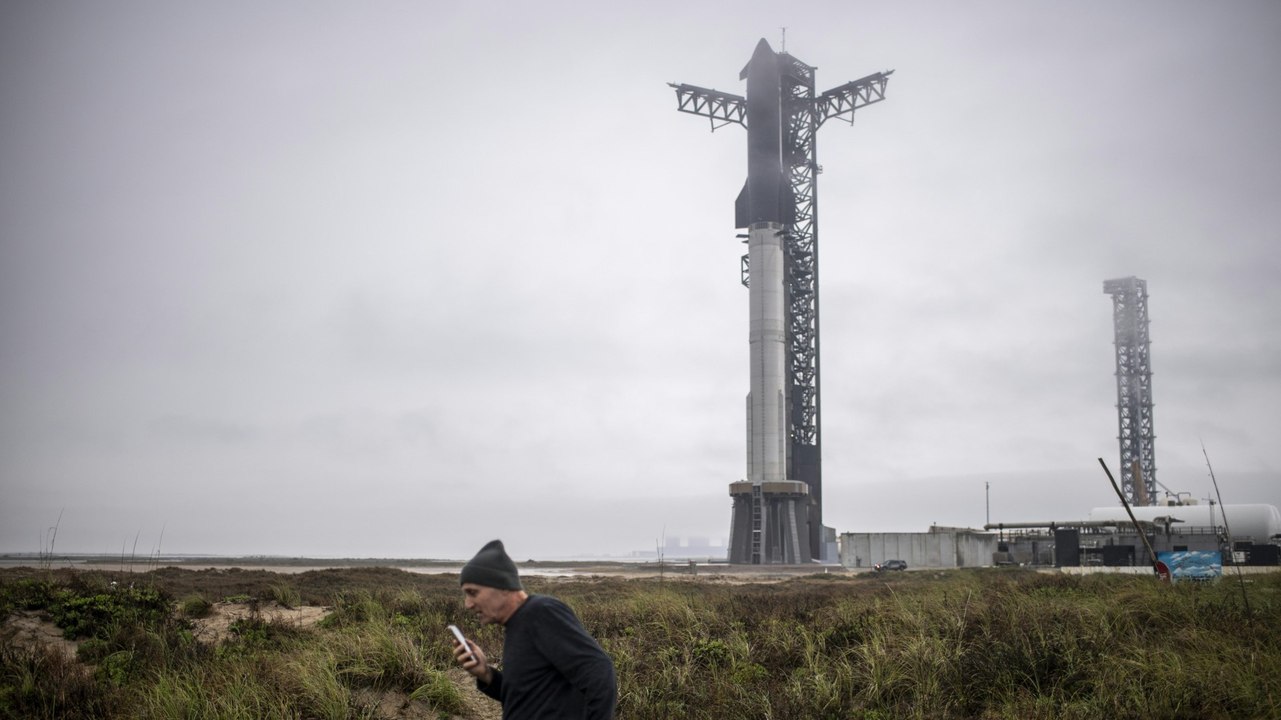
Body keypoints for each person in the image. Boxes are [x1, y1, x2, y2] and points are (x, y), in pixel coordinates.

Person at [451, 539, 617, 719]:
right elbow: (525, 698)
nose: (467, 604)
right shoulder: (517, 624)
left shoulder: (540, 612)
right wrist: (486, 673)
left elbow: (600, 673)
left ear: (503, 586)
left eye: (473, 592)